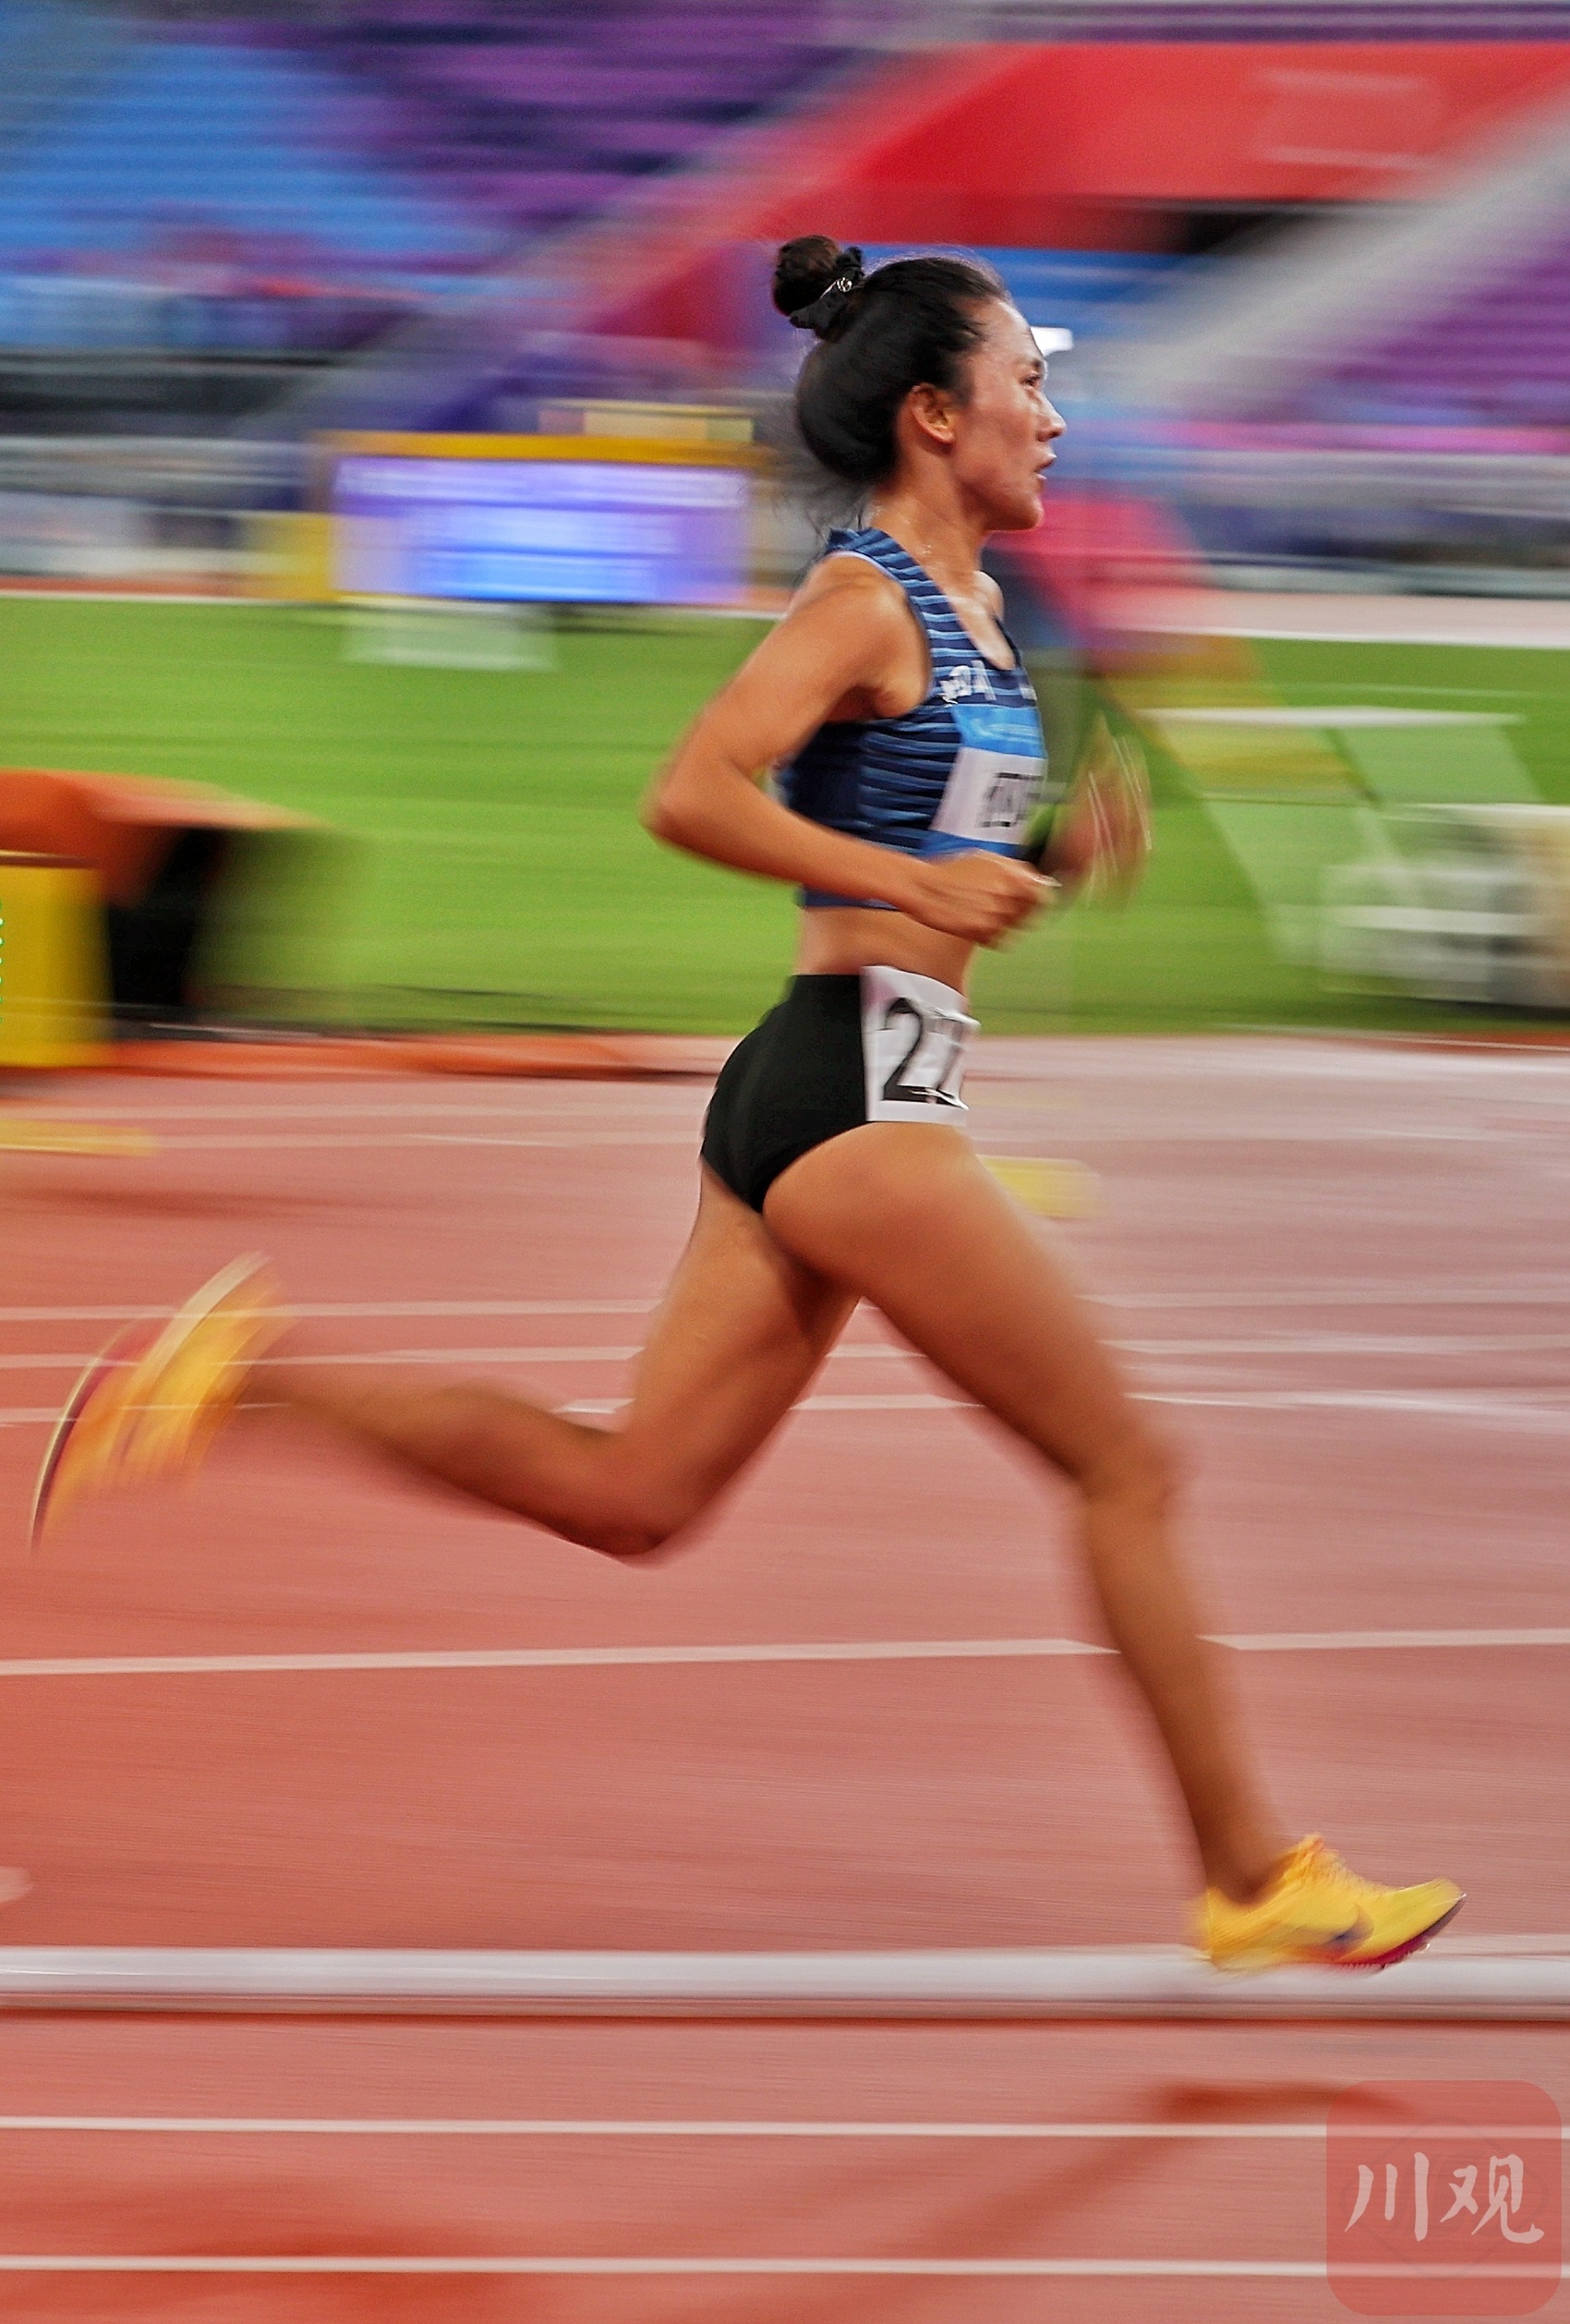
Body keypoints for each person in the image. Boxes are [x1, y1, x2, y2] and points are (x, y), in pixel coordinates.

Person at [34, 238, 1461, 1974]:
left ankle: (249, 1378)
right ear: (933, 413)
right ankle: (1250, 1876)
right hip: (853, 1091)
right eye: (1026, 385)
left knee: (633, 1495)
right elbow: (691, 791)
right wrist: (917, 887)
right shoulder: (865, 598)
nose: (1052, 418)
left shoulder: (977, 612)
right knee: (1125, 1463)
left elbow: (927, 857)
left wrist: (1041, 858)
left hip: (836, 1081)